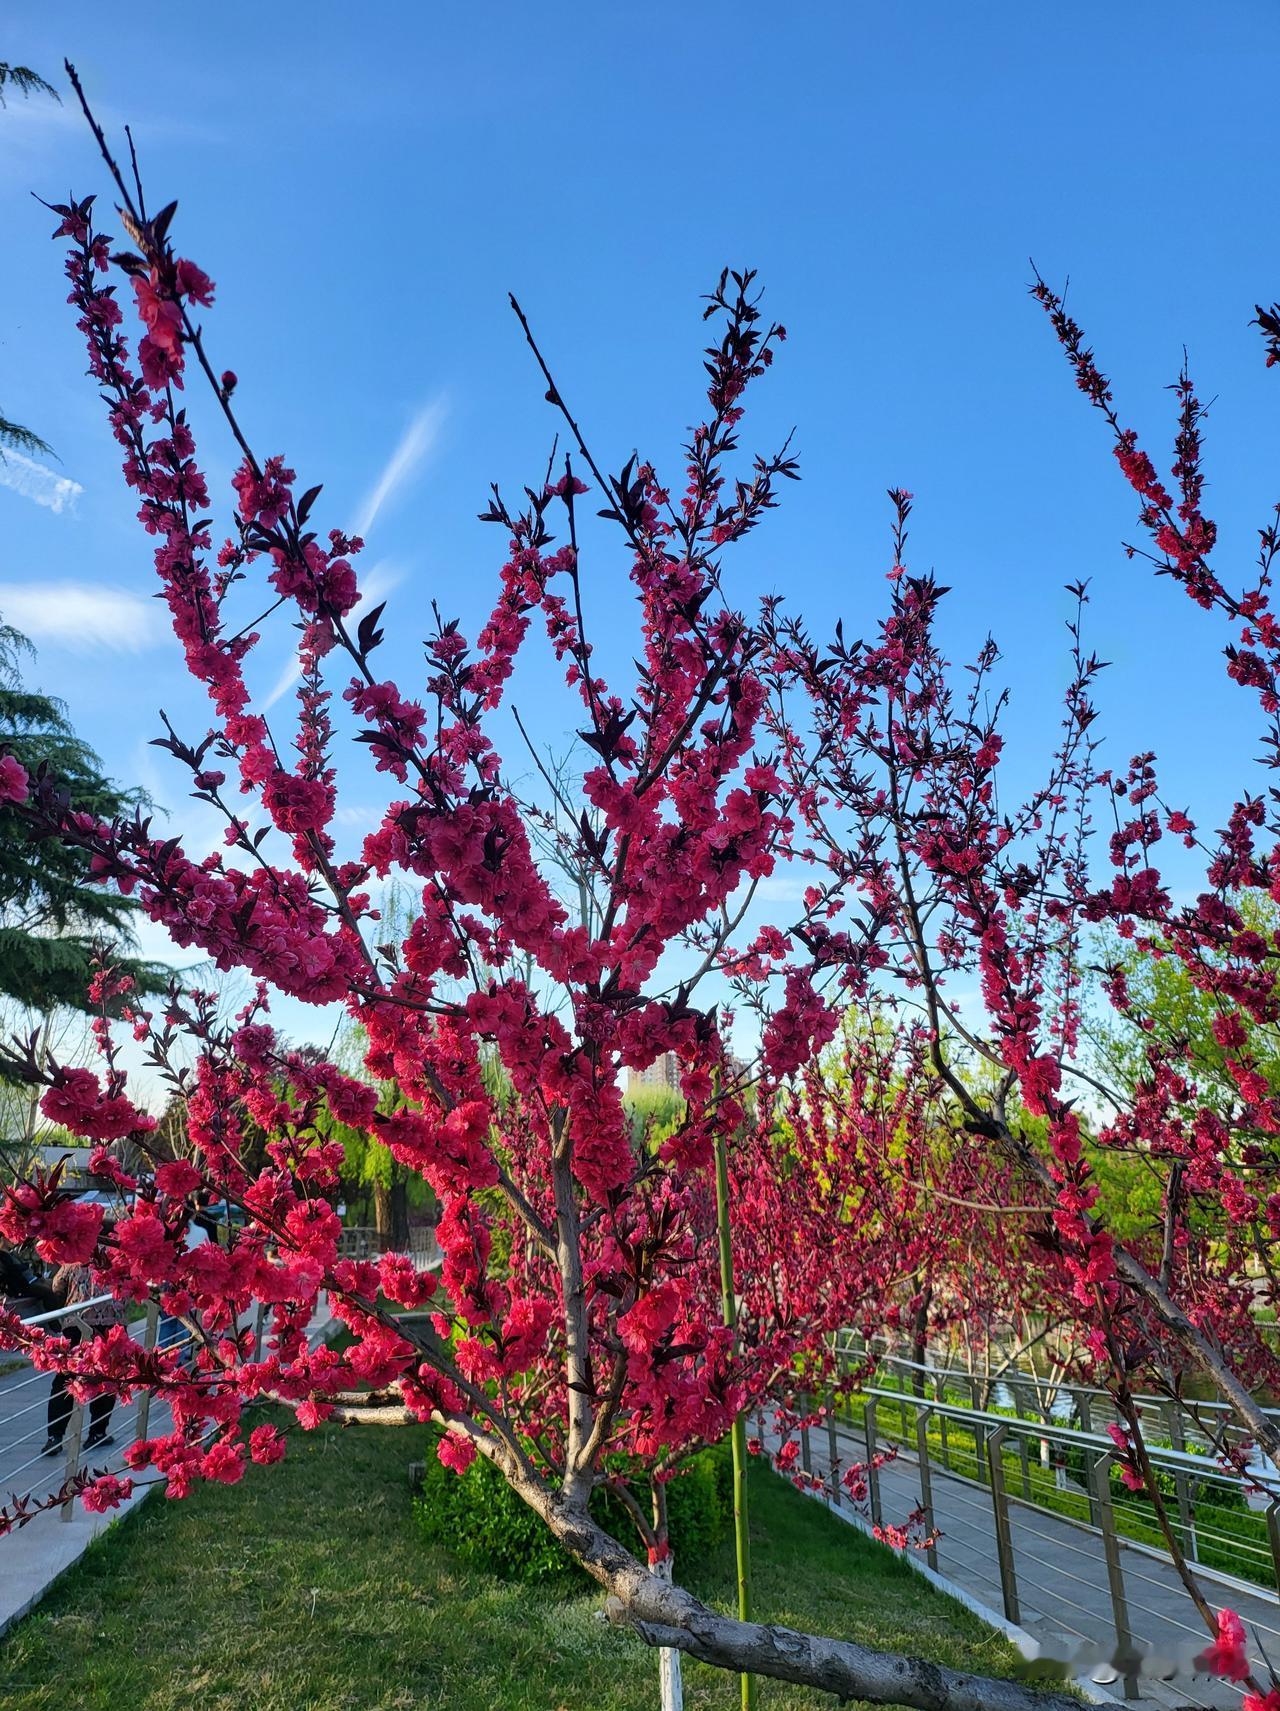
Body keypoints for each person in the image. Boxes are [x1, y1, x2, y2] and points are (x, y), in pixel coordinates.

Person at [42, 1236, 128, 1457]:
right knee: (106, 1378)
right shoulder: (118, 1254)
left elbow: (57, 1286)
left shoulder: (76, 1253)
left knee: (65, 1379)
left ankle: (55, 1436)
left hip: (76, 1325)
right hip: (111, 1326)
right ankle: (97, 1432)